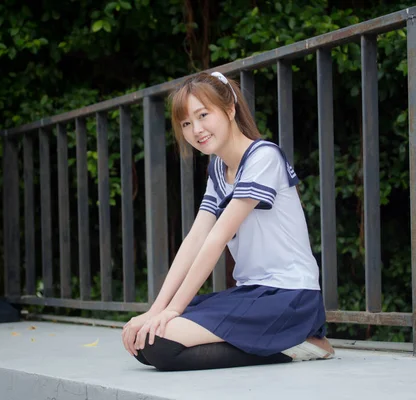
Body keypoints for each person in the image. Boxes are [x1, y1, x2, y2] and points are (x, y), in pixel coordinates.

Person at [121, 71, 334, 371]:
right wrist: (156, 310)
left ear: (230, 109)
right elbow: (195, 240)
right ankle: (283, 343)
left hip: (289, 297)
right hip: (252, 294)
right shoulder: (218, 170)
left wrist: (174, 310)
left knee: (159, 343)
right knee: (146, 339)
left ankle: (301, 344)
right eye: (186, 123)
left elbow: (216, 239)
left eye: (203, 115)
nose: (196, 129)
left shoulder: (264, 157)